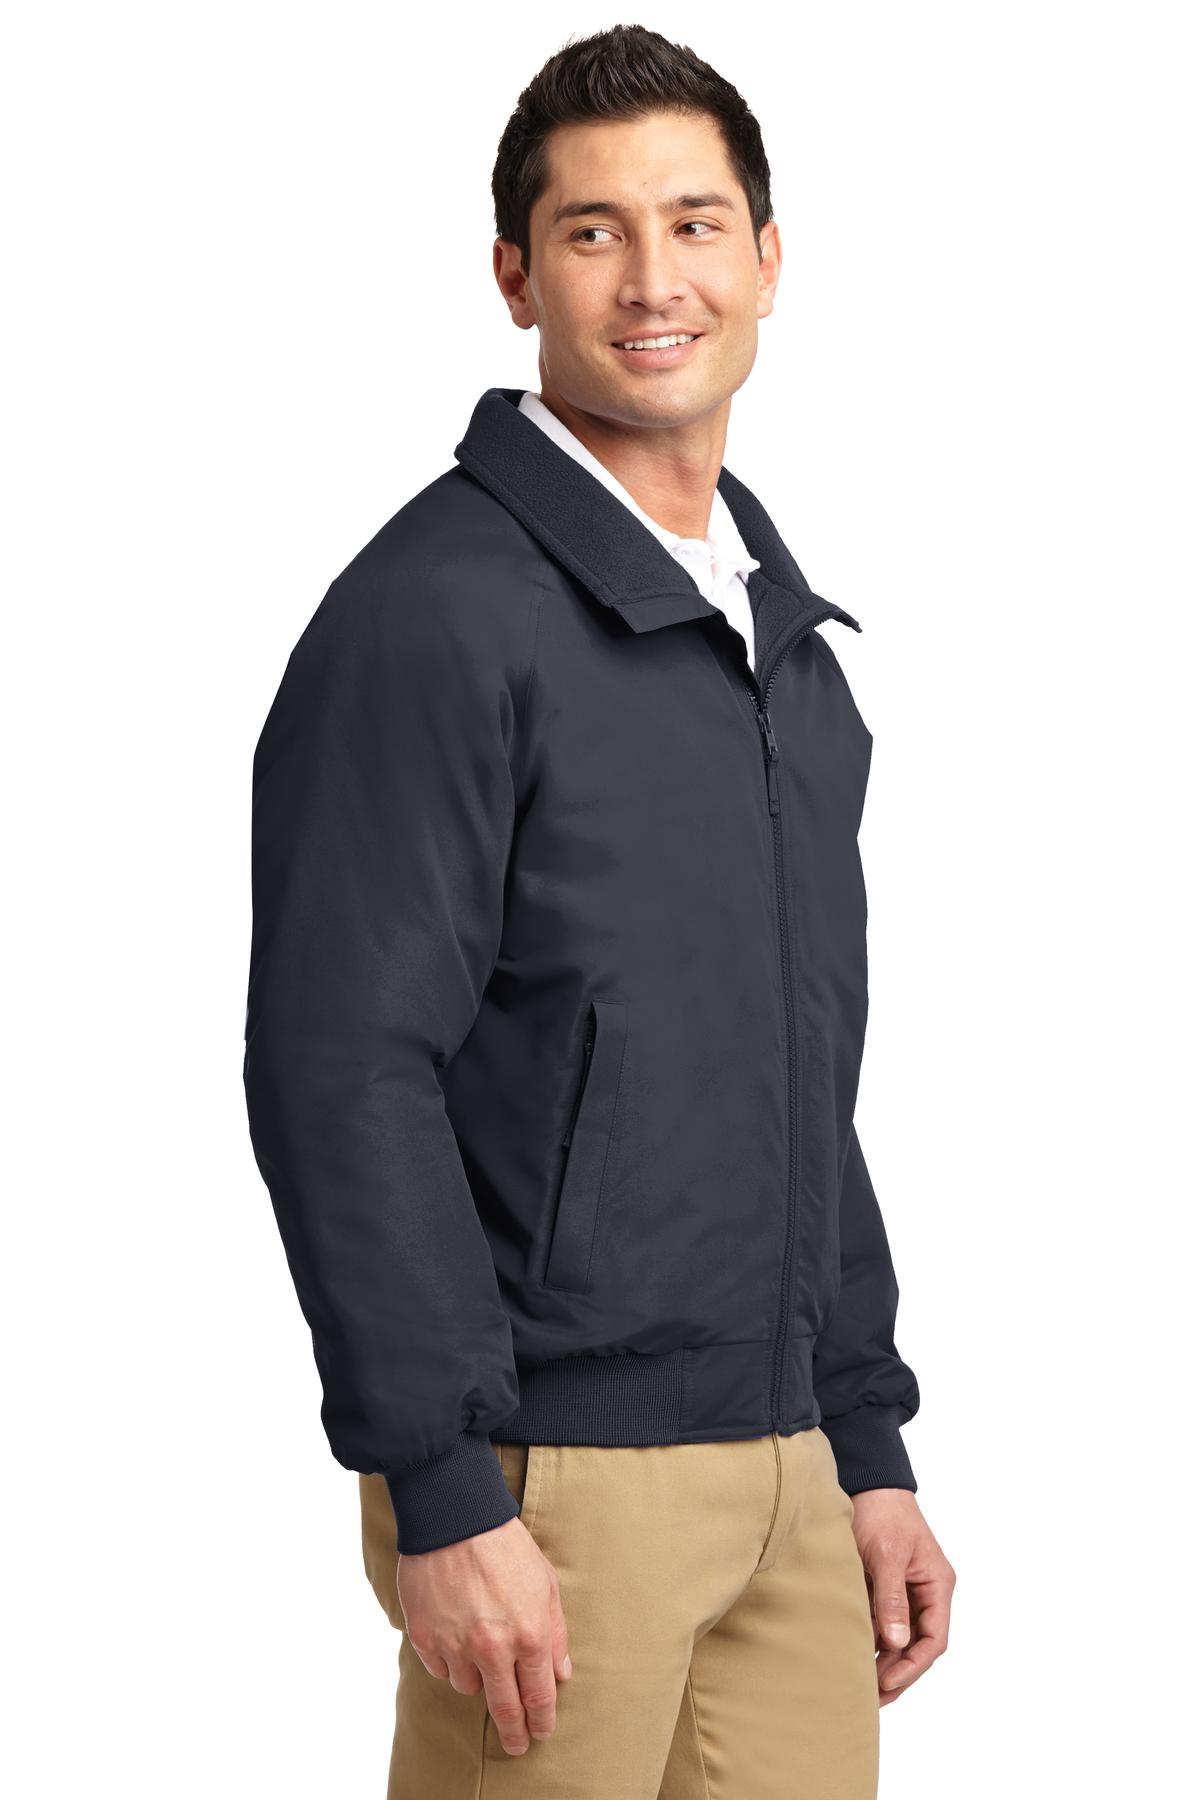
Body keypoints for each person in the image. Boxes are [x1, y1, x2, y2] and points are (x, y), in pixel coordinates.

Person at [242, 23, 955, 1799]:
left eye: (696, 224)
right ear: (515, 277)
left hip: (792, 1478)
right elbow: (342, 1064)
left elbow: (801, 1081)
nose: (653, 281)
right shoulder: (434, 616)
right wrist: (443, 1484)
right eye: (592, 232)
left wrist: (864, 1439)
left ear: (768, 260)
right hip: (553, 1491)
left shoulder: (784, 653)